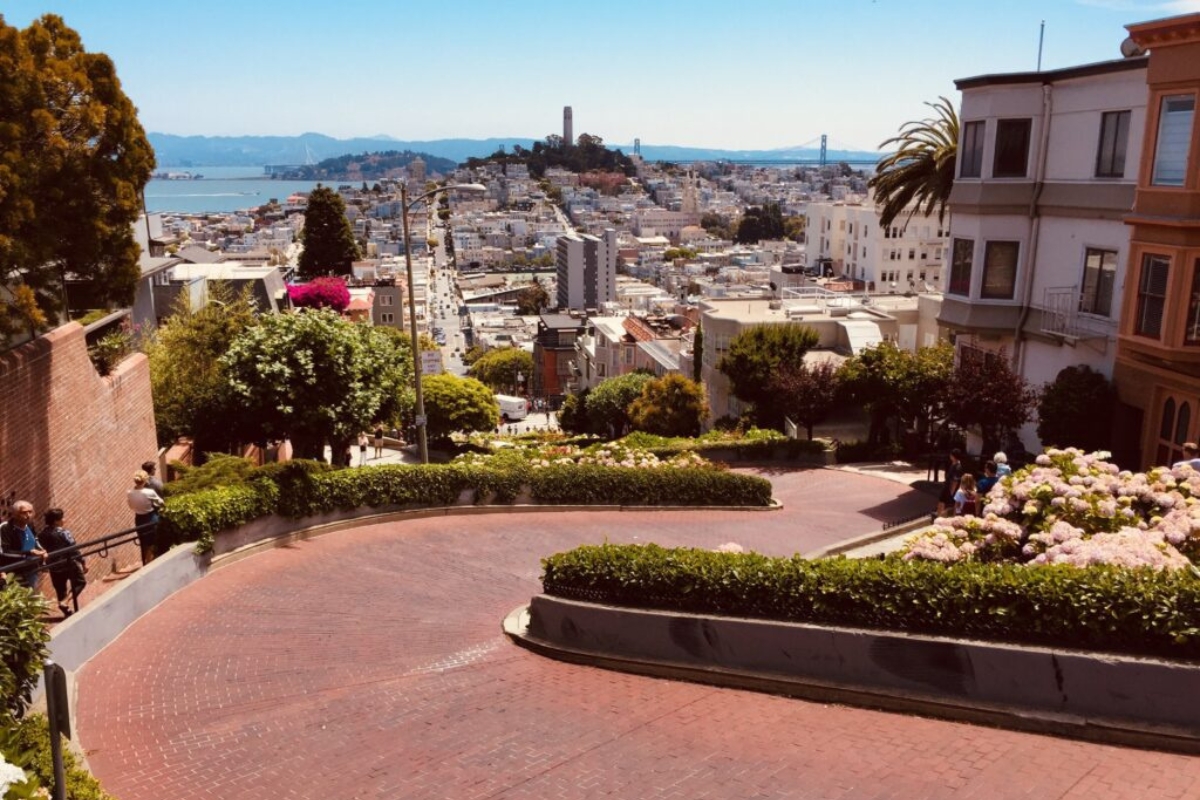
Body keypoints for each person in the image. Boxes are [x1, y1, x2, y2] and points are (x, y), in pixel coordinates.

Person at [38, 508, 87, 618]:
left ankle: (67, 612)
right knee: (80, 582)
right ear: (56, 521)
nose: (64, 520)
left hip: (54, 567)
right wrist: (83, 562)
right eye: (62, 518)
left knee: (60, 589)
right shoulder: (64, 532)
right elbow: (73, 549)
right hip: (68, 563)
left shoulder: (41, 534)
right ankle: (66, 601)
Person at [1, 500, 46, 591]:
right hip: (14, 571)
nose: (28, 515)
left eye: (30, 512)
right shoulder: (5, 528)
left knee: (31, 596)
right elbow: (4, 551)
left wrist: (41, 550)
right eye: (24, 513)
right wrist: (29, 553)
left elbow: (35, 539)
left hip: (31, 568)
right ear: (15, 514)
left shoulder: (30, 524)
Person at [127, 470, 165, 566]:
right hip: (151, 517)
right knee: (154, 542)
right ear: (145, 481)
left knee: (144, 543)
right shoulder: (149, 492)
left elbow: (131, 507)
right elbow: (161, 503)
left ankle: (147, 563)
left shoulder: (130, 493)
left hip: (139, 519)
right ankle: (154, 563)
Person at [938, 449, 964, 517]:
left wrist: (951, 492)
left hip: (950, 488)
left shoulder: (958, 467)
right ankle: (940, 515)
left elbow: (955, 481)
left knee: (944, 502)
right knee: (942, 501)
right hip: (947, 486)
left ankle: (940, 516)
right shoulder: (954, 464)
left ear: (953, 456)